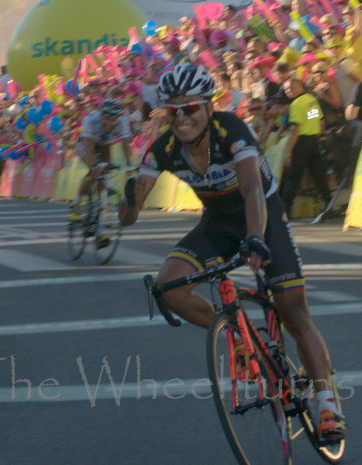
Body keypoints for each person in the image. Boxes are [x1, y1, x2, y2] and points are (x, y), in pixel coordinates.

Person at [118, 63, 344, 440]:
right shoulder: (163, 149)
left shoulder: (232, 131)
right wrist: (129, 202)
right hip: (218, 222)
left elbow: (254, 190)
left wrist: (256, 237)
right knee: (169, 287)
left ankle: (327, 404)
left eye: (190, 108)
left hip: (263, 216)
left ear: (209, 106)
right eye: (172, 110)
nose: (181, 117)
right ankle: (237, 339)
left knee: (293, 312)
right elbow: (128, 218)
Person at [69, 98, 133, 221]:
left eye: (113, 119)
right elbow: (89, 149)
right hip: (86, 144)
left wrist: (129, 167)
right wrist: (95, 165)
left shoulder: (122, 122)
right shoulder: (90, 120)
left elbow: (126, 145)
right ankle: (76, 202)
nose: (108, 122)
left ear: (118, 118)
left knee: (104, 175)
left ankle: (101, 207)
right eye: (106, 118)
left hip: (104, 145)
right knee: (95, 171)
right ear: (101, 114)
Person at [281, 77, 332, 216]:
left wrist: (289, 151)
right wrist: (319, 137)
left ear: (300, 87)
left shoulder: (296, 104)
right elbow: (320, 121)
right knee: (319, 176)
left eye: (290, 88)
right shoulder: (312, 100)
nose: (288, 91)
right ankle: (328, 206)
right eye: (286, 89)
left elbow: (295, 128)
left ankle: (285, 210)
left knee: (293, 177)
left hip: (301, 142)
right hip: (314, 142)